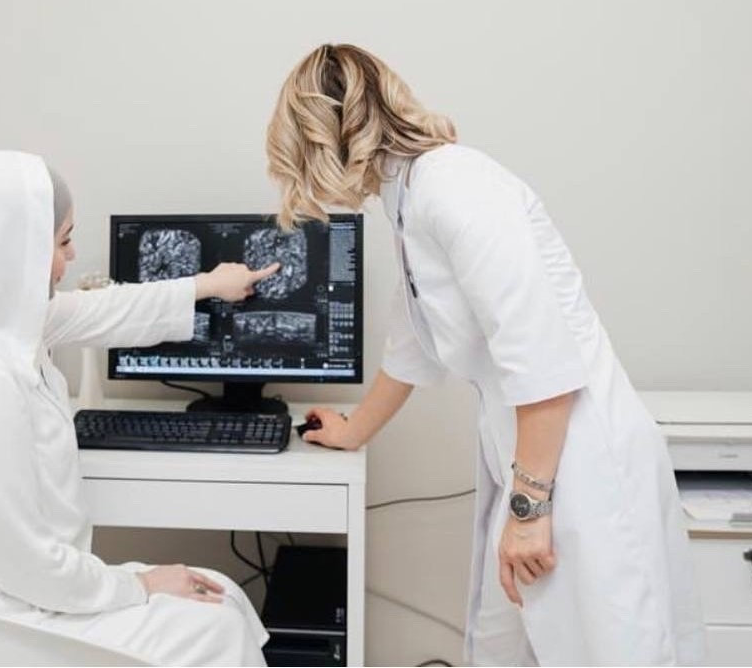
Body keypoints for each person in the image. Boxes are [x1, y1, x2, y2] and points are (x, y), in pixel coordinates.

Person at [266, 44, 705, 665]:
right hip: (537, 461)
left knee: (611, 649)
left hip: (580, 465)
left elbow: (541, 354)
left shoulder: (455, 185)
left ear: (324, 138)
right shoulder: (409, 198)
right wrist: (353, 430)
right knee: (504, 644)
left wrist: (529, 509)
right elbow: (412, 338)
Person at [0, 150, 277, 665]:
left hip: (14, 590)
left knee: (220, 595)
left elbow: (104, 309)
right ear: (14, 248)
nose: (71, 257)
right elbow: (26, 565)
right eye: (62, 240)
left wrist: (207, 285)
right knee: (214, 623)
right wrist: (140, 584)